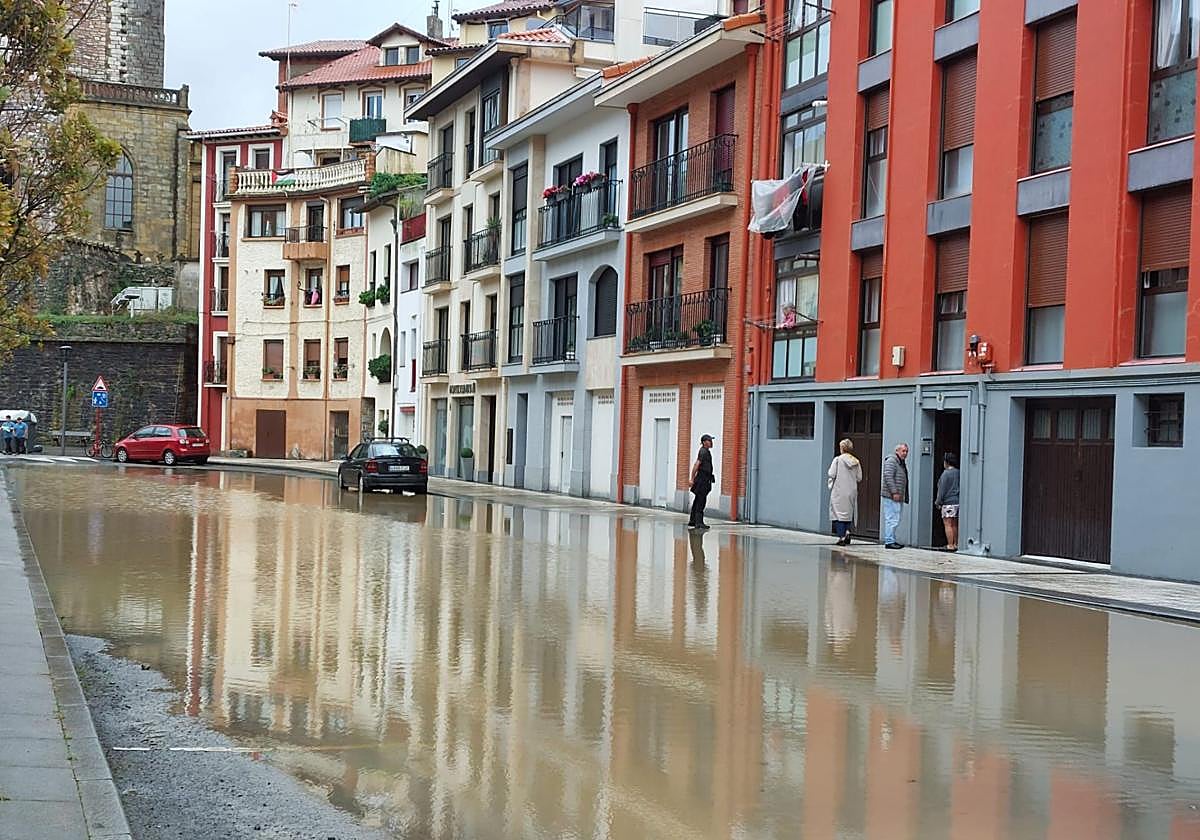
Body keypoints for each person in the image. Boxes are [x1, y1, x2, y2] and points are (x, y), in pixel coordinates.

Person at [827, 438, 862, 546]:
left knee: (838, 514)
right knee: (848, 514)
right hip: (851, 490)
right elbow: (859, 477)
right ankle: (847, 531)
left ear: (842, 448)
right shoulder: (856, 461)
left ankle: (841, 537)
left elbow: (831, 473)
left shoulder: (838, 460)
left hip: (839, 490)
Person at [880, 442, 910, 549]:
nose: (905, 453)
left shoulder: (900, 462)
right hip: (891, 496)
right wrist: (894, 492)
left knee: (895, 518)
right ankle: (889, 541)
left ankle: (891, 539)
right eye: (903, 451)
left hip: (897, 496)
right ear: (897, 451)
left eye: (906, 451)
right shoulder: (892, 461)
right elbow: (888, 476)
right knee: (891, 518)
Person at [688, 433, 715, 530]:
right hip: (702, 479)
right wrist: (692, 478)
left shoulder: (705, 451)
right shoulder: (703, 452)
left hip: (704, 478)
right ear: (704, 442)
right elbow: (697, 464)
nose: (711, 442)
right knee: (701, 500)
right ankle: (699, 522)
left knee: (697, 500)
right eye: (709, 440)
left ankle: (693, 520)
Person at [935, 452, 960, 551]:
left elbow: (942, 490)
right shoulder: (958, 472)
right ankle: (956, 543)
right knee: (954, 524)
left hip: (948, 502)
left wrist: (938, 502)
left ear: (946, 462)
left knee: (947, 524)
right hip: (956, 501)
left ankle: (950, 545)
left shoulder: (945, 474)